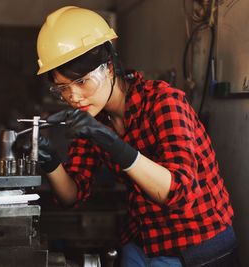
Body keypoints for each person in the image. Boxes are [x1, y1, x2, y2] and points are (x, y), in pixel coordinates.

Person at [33, 6, 237, 267]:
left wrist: (115, 145)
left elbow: (179, 192)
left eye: (82, 82)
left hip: (199, 245)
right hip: (145, 242)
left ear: (108, 68)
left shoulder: (164, 102)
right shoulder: (93, 120)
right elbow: (72, 195)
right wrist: (49, 159)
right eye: (63, 88)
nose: (73, 97)